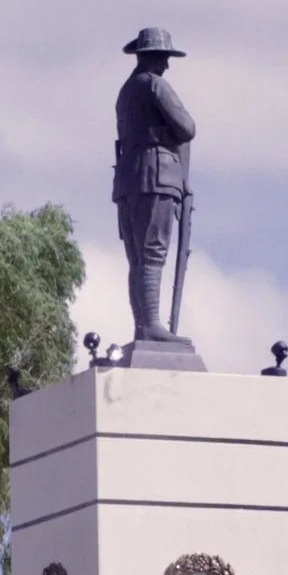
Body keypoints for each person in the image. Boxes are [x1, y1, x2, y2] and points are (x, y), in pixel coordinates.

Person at [111, 27, 196, 349]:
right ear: (153, 56)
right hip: (156, 174)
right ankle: (152, 325)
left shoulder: (125, 91)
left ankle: (143, 325)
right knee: (153, 254)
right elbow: (187, 128)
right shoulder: (155, 85)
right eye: (164, 57)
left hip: (128, 177)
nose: (167, 65)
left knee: (138, 259)